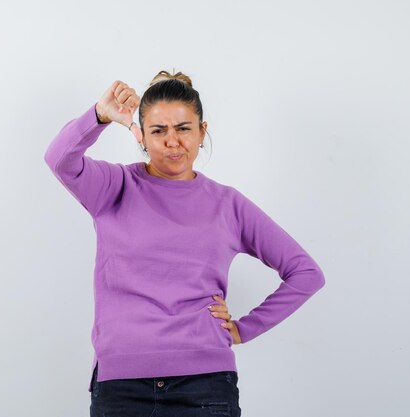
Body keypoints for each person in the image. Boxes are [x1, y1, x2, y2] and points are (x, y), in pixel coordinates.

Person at [43, 70, 325, 417]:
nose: (172, 141)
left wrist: (242, 329)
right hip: (122, 386)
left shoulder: (228, 205)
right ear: (141, 136)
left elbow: (306, 273)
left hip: (204, 385)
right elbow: (59, 159)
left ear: (202, 131)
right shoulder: (114, 186)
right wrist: (98, 116)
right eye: (159, 130)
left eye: (183, 128)